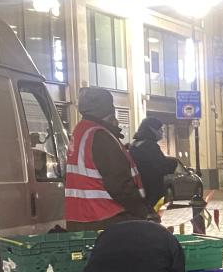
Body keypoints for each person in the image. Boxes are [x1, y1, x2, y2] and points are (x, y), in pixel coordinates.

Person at [65, 87, 157, 230]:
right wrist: (145, 212)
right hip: (107, 217)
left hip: (82, 218)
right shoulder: (100, 136)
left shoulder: (81, 131)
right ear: (109, 109)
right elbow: (119, 184)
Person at [129, 118, 179, 210]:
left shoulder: (135, 144)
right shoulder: (149, 146)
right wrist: (173, 163)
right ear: (151, 129)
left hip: (139, 189)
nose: (162, 132)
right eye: (160, 129)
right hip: (151, 190)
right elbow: (161, 166)